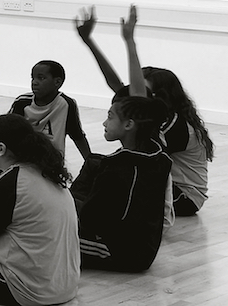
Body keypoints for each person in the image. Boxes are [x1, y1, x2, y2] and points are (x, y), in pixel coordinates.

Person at [76, 5, 213, 220]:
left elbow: (137, 96)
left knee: (107, 173)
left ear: (158, 97)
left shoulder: (172, 126)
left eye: (141, 87)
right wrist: (89, 41)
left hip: (185, 197)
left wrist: (130, 41)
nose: (134, 90)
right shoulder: (151, 115)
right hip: (166, 187)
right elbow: (115, 83)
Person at [0, 114, 80, 306]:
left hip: (25, 290)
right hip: (66, 286)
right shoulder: (51, 174)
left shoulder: (6, 182)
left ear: (1, 149)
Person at [70, 95, 172, 273]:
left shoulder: (118, 168)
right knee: (93, 161)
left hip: (120, 253)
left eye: (110, 117)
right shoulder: (159, 155)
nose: (104, 123)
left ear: (128, 125)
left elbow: (91, 221)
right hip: (146, 248)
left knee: (45, 238)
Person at [0, 60, 92, 176]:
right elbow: (4, 131)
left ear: (58, 82)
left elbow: (78, 136)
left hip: (46, 158)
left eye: (41, 78)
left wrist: (90, 163)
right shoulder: (23, 101)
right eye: (33, 78)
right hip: (18, 152)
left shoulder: (67, 104)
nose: (34, 82)